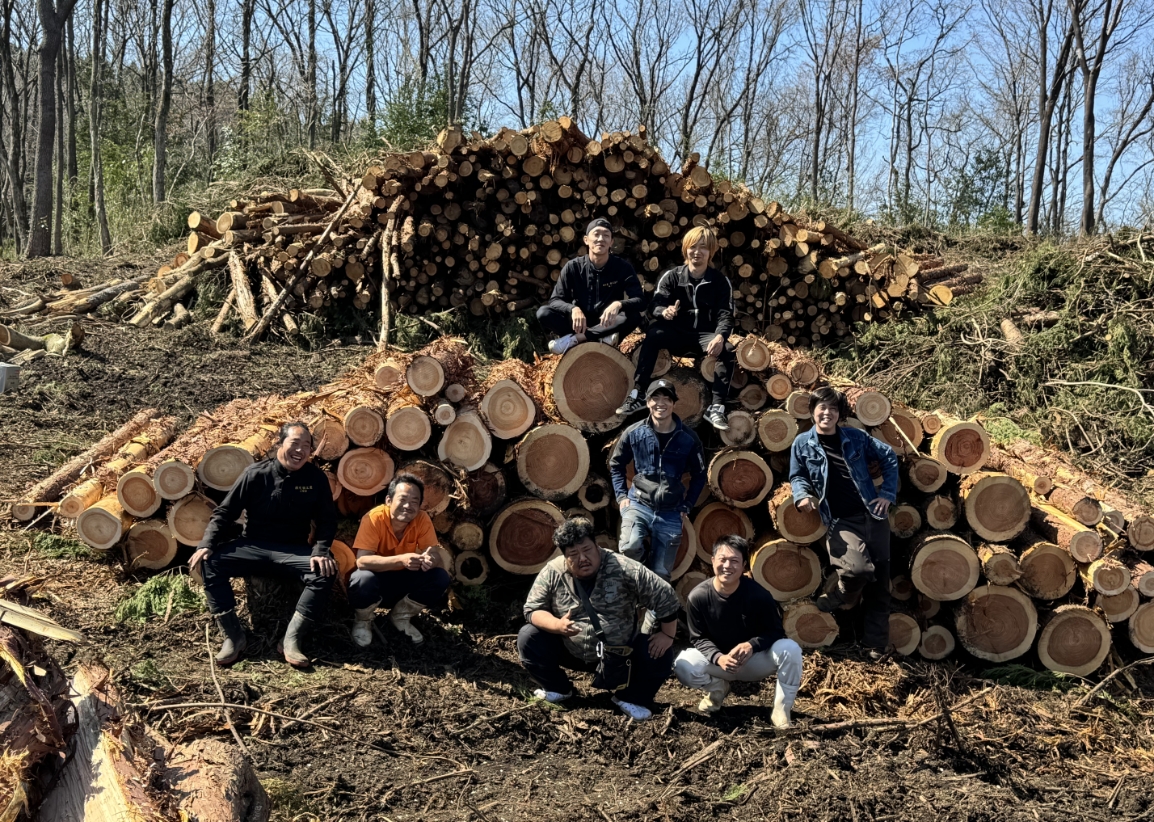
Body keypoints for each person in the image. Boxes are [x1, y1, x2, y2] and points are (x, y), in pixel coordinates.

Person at [190, 421, 338, 669]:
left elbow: (327, 519)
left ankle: (291, 638)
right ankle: (234, 636)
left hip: (293, 549)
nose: (300, 451)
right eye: (294, 443)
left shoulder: (315, 478)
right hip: (253, 546)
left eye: (306, 446)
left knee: (325, 571)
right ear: (280, 444)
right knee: (211, 563)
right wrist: (206, 544)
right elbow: (225, 512)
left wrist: (321, 550)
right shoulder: (255, 474)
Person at [518, 517, 680, 721]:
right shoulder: (553, 571)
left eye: (587, 550)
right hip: (570, 650)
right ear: (564, 556)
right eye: (573, 554)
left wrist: (667, 634)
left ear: (597, 545)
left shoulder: (624, 568)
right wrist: (557, 625)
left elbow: (665, 595)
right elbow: (532, 609)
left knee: (660, 652)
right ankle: (558, 688)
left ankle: (630, 698)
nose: (582, 558)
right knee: (528, 636)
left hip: (620, 656)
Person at [789, 387, 899, 656]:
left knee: (880, 586)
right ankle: (841, 595)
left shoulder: (856, 437)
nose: (827, 413)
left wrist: (886, 493)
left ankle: (875, 645)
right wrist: (802, 495)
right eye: (822, 408)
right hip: (841, 521)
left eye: (834, 409)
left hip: (874, 517)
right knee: (857, 571)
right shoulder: (802, 443)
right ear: (813, 410)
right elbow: (797, 476)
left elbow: (889, 457)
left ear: (840, 414)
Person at [673, 535, 802, 727]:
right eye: (722, 559)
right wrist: (718, 658)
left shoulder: (759, 596)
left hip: (753, 662)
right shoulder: (698, 597)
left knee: (790, 649)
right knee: (683, 665)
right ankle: (717, 689)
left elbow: (776, 632)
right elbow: (698, 638)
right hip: (719, 663)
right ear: (712, 561)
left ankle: (781, 711)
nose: (727, 566)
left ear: (743, 566)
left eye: (734, 561)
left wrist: (752, 645)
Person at [617, 226, 735, 430]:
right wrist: (664, 311)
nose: (697, 252)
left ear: (711, 252)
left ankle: (716, 408)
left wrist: (720, 336)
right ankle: (638, 394)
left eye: (703, 248)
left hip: (704, 337)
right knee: (654, 334)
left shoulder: (720, 281)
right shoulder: (672, 276)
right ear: (685, 249)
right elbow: (655, 304)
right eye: (693, 247)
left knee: (728, 349)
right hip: (677, 335)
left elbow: (726, 313)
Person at [609, 379, 706, 585]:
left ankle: (653, 615)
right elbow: (616, 464)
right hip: (639, 504)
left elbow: (699, 474)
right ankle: (642, 568)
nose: (660, 403)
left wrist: (688, 504)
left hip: (671, 510)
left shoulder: (688, 438)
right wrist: (621, 497)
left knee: (661, 575)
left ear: (673, 403)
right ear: (647, 401)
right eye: (655, 398)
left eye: (666, 398)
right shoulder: (634, 433)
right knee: (629, 545)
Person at [347, 473, 451, 647]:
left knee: (440, 577)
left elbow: (435, 555)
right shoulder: (374, 518)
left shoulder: (422, 519)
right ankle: (363, 621)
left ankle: (400, 617)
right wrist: (401, 560)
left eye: (414, 502)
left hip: (403, 582)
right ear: (389, 500)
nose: (408, 506)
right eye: (402, 499)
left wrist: (430, 560)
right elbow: (362, 561)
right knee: (361, 578)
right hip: (377, 582)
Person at [536, 218, 645, 354]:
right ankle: (598, 339)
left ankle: (576, 340)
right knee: (543, 313)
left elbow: (640, 301)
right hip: (579, 324)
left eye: (606, 235)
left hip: (607, 324)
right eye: (596, 234)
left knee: (634, 315)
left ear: (611, 242)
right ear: (586, 240)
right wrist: (573, 309)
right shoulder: (573, 267)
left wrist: (619, 304)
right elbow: (555, 300)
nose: (601, 239)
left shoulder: (623, 268)